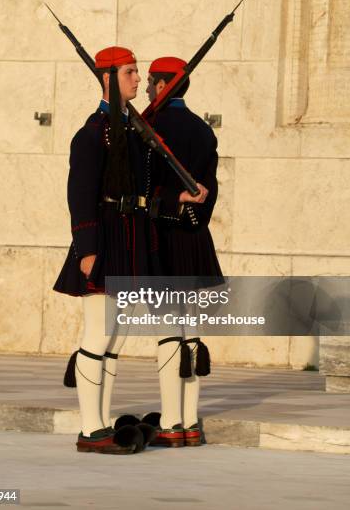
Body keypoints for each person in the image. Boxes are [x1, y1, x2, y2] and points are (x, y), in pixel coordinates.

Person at [54, 46, 158, 454]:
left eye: (137, 72)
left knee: (116, 337)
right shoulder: (93, 133)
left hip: (130, 241)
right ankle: (90, 428)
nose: (137, 79)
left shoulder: (132, 129)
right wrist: (88, 248)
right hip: (105, 242)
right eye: (130, 72)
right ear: (108, 78)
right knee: (97, 333)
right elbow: (79, 195)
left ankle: (102, 421)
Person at [145, 56, 224, 448]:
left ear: (163, 85)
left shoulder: (151, 129)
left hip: (163, 237)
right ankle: (191, 422)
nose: (145, 89)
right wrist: (195, 216)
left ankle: (171, 422)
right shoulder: (202, 131)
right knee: (191, 332)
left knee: (167, 332)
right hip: (195, 237)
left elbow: (147, 190)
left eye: (150, 82)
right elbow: (209, 191)